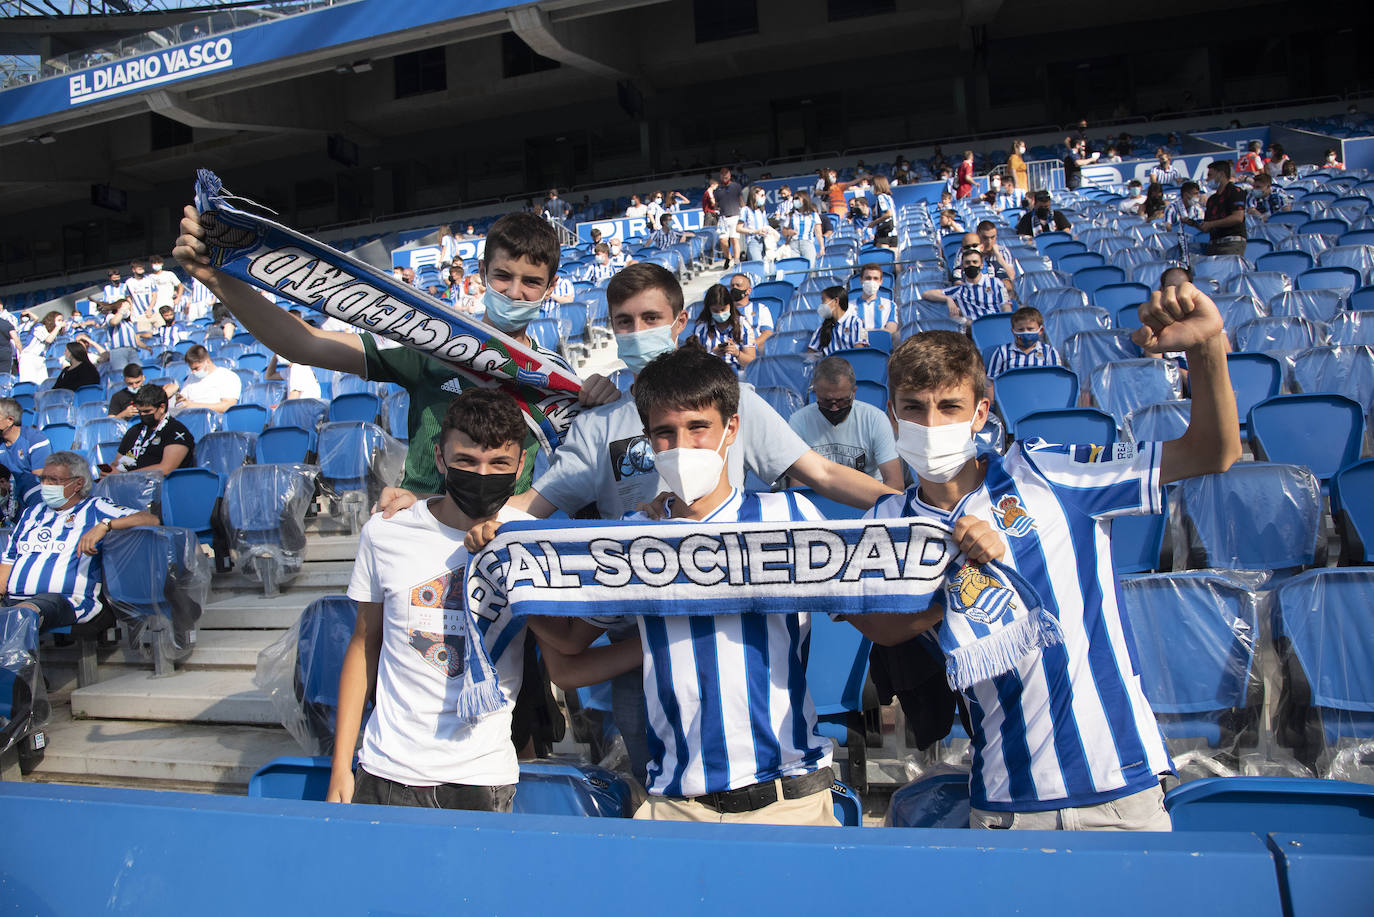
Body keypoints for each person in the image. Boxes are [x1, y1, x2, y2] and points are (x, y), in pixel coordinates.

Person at [848, 282, 1241, 830]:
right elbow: (880, 628)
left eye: (949, 406)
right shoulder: (885, 522)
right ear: (892, 416)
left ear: (981, 412)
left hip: (1121, 788)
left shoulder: (1052, 471)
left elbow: (1213, 452)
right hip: (1005, 800)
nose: (931, 424)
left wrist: (1207, 347)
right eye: (914, 409)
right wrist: (958, 580)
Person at [529, 347, 840, 827]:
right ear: (649, 441)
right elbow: (568, 655)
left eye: (699, 427)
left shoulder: (790, 518)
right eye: (665, 434)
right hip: (674, 806)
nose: (682, 446)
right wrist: (503, 572)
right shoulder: (632, 540)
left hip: (788, 800)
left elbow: (878, 617)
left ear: (731, 429)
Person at [174, 209, 618, 499]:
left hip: (502, 531)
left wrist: (603, 398)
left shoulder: (553, 375)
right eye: (502, 276)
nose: (515, 292)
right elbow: (303, 344)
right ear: (481, 272)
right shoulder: (431, 340)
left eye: (530, 283)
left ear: (551, 287)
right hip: (419, 517)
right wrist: (219, 282)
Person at [326, 390, 534, 812]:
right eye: (466, 462)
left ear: (521, 466)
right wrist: (340, 767)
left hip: (482, 778)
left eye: (498, 464)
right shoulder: (385, 533)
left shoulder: (530, 541)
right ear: (440, 459)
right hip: (385, 769)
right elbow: (364, 643)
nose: (481, 474)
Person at [0, 451, 157, 636]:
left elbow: (150, 519)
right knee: (15, 614)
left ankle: (16, 664)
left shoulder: (95, 507)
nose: (46, 485)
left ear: (78, 483)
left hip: (65, 600)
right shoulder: (30, 514)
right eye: (43, 479)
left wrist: (105, 525)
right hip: (15, 600)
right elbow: (9, 560)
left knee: (21, 615)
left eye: (54, 480)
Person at [788, 356, 902, 487]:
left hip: (868, 500)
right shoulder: (799, 421)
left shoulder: (875, 419)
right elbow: (798, 484)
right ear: (816, 393)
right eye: (827, 401)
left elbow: (895, 482)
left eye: (841, 401)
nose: (834, 408)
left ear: (854, 393)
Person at [109, 386, 194, 475]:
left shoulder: (175, 431)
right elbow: (118, 464)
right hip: (127, 483)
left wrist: (125, 476)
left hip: (159, 486)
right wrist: (111, 472)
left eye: (147, 411)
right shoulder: (135, 431)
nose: (142, 415)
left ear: (162, 407)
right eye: (139, 411)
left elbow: (166, 468)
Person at [922, 248, 1011, 321]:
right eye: (967, 263)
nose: (971, 265)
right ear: (962, 266)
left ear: (981, 265)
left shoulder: (996, 283)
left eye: (975, 262)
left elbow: (1006, 306)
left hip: (997, 324)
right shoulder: (959, 290)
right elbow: (926, 294)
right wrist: (948, 299)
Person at [0, 398, 51, 517]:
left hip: (32, 493)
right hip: (5, 492)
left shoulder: (35, 439)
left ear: (10, 420)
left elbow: (41, 475)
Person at [984, 307, 1062, 379]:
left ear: (1040, 330)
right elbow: (991, 381)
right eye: (1020, 329)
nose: (1025, 332)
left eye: (1030, 329)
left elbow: (1057, 379)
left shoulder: (1049, 352)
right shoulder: (1002, 351)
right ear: (1013, 332)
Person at [693, 284, 757, 371]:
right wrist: (712, 355)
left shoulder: (743, 325)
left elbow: (752, 363)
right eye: (715, 311)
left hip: (739, 374)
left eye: (723, 309)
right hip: (711, 375)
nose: (720, 314)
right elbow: (695, 364)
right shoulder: (701, 329)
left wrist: (737, 353)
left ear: (730, 305)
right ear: (708, 309)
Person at [169, 345, 241, 413]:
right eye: (191, 369)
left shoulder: (227, 376)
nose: (193, 372)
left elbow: (227, 406)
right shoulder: (191, 378)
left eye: (196, 368)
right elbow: (184, 399)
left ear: (207, 361)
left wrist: (192, 405)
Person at [1199, 160, 1248, 256]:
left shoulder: (1235, 192)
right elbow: (1207, 227)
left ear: (1221, 174)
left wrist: (1211, 224)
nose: (1207, 179)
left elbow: (1237, 218)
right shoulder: (1212, 199)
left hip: (1231, 243)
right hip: (1214, 244)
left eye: (1210, 175)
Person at [807, 286, 867, 358]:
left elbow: (859, 352)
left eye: (823, 301)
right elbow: (811, 353)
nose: (821, 305)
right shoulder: (822, 327)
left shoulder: (856, 322)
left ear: (836, 301)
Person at [728, 273, 774, 349]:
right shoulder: (724, 311)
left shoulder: (761, 308)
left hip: (755, 351)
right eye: (732, 286)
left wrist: (750, 347)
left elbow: (767, 333)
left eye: (738, 285)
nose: (734, 288)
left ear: (748, 291)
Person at [18, 311, 65, 385]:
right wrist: (58, 327)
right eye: (59, 320)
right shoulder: (39, 327)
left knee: (42, 386)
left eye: (62, 320)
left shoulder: (53, 333)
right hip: (29, 358)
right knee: (28, 384)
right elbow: (48, 339)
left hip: (41, 359)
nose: (61, 323)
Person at [851, 263, 898, 335]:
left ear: (881, 281)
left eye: (875, 278)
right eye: (868, 278)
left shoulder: (890, 305)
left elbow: (891, 330)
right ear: (861, 280)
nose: (871, 282)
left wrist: (864, 332)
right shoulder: (849, 306)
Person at [713, 168, 744, 268]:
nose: (725, 178)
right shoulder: (717, 190)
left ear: (729, 175)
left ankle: (737, 259)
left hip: (735, 216)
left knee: (735, 239)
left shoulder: (736, 186)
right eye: (723, 177)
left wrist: (744, 213)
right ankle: (728, 257)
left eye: (726, 176)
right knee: (723, 240)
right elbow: (716, 204)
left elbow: (741, 201)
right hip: (723, 218)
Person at [105, 298, 145, 371]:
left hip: (132, 350)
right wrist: (122, 310)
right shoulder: (111, 316)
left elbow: (136, 339)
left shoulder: (129, 323)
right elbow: (114, 322)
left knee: (137, 371)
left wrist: (147, 347)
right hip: (119, 350)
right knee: (121, 372)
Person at [788, 192, 824, 270]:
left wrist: (822, 247)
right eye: (794, 199)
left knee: (811, 268)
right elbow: (785, 231)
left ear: (804, 200)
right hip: (793, 244)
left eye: (797, 198)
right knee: (794, 269)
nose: (795, 201)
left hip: (807, 243)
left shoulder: (814, 215)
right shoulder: (791, 215)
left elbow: (818, 233)